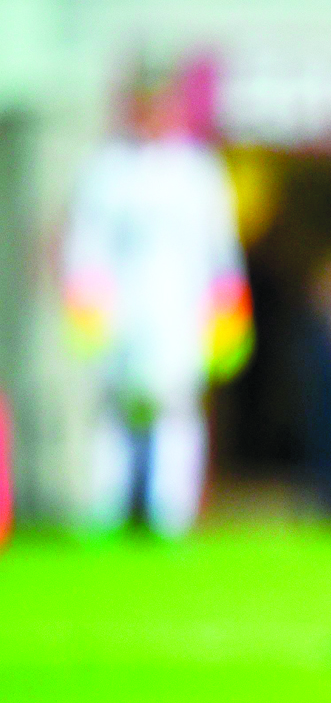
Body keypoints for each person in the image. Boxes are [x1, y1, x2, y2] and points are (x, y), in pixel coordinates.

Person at [62, 64, 252, 538]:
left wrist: (227, 307)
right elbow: (85, 242)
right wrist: (84, 300)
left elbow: (219, 247)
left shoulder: (196, 169)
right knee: (115, 406)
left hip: (179, 306)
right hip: (121, 305)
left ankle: (172, 512)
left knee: (176, 404)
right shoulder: (108, 168)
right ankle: (107, 507)